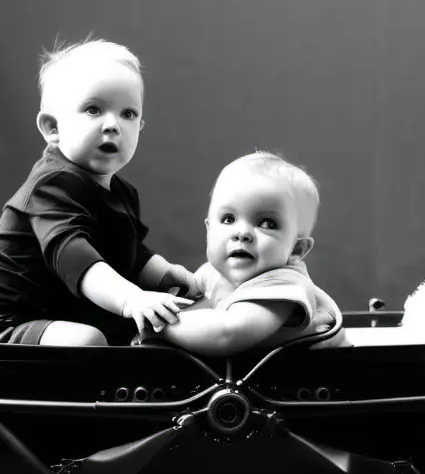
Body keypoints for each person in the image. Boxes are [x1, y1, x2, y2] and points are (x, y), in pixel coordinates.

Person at [0, 38, 199, 345]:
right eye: (93, 109)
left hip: (52, 316)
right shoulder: (53, 185)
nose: (113, 124)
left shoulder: (122, 192)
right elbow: (75, 257)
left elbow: (131, 256)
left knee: (157, 329)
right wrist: (132, 300)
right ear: (52, 128)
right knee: (86, 342)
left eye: (128, 114)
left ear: (141, 125)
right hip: (1, 324)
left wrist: (170, 275)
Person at [139, 151, 346, 356]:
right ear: (209, 231)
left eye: (266, 223)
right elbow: (193, 306)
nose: (242, 233)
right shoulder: (212, 274)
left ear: (296, 249)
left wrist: (161, 324)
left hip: (326, 376)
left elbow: (226, 334)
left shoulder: (284, 284)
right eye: (229, 219)